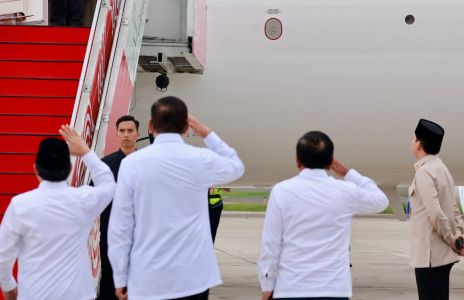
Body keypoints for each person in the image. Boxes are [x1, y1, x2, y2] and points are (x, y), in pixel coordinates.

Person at [108, 97, 244, 300]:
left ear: (150, 126)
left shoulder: (132, 164)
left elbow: (121, 226)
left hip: (147, 277)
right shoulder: (200, 159)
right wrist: (206, 133)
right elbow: (236, 166)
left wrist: (119, 277)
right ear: (186, 127)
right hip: (193, 277)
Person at [257, 130, 389, 300]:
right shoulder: (345, 191)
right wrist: (348, 173)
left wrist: (267, 284)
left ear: (297, 159)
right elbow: (380, 201)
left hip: (291, 288)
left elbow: (270, 244)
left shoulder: (281, 191)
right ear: (330, 162)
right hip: (334, 289)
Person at [0, 125, 115, 300]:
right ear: (70, 169)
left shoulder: (20, 205)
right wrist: (85, 152)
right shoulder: (83, 200)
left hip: (34, 295)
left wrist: (7, 285)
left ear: (35, 169)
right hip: (78, 295)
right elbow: (109, 184)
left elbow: (4, 251)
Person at [409, 118, 464, 300]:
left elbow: (435, 213)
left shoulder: (424, 172)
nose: (412, 142)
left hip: (429, 257)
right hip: (442, 256)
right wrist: (459, 236)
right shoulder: (441, 168)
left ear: (419, 144)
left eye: (413, 138)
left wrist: (451, 239)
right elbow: (453, 207)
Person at [96, 115, 139, 300]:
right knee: (110, 280)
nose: (126, 135)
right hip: (110, 234)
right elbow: (94, 197)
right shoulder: (105, 165)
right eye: (122, 131)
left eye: (130, 131)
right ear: (116, 134)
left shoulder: (147, 162)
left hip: (140, 234)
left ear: (137, 134)